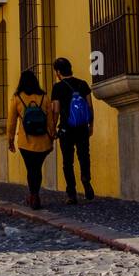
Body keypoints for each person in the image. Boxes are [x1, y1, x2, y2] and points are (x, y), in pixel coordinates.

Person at [5, 69, 55, 210]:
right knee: (37, 169)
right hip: (43, 141)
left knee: (30, 169)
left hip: (25, 141)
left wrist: (10, 140)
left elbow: (11, 122)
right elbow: (50, 121)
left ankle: (33, 196)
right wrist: (52, 136)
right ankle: (35, 195)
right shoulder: (44, 97)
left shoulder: (17, 98)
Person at [49, 57, 95, 205]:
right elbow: (89, 107)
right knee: (84, 156)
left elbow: (55, 110)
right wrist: (91, 126)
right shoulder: (83, 84)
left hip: (66, 128)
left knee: (67, 162)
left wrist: (53, 128)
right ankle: (86, 179)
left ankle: (71, 193)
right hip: (82, 127)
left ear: (58, 72)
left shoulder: (57, 87)